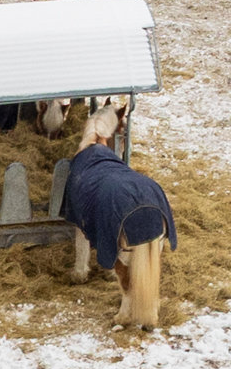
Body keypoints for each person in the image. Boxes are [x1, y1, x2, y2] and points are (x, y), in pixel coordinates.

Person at [61, 106, 178, 329]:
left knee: (125, 263)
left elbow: (81, 225)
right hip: (152, 196)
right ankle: (149, 311)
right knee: (149, 258)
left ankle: (126, 311)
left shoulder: (81, 170)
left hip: (114, 195)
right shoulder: (137, 178)